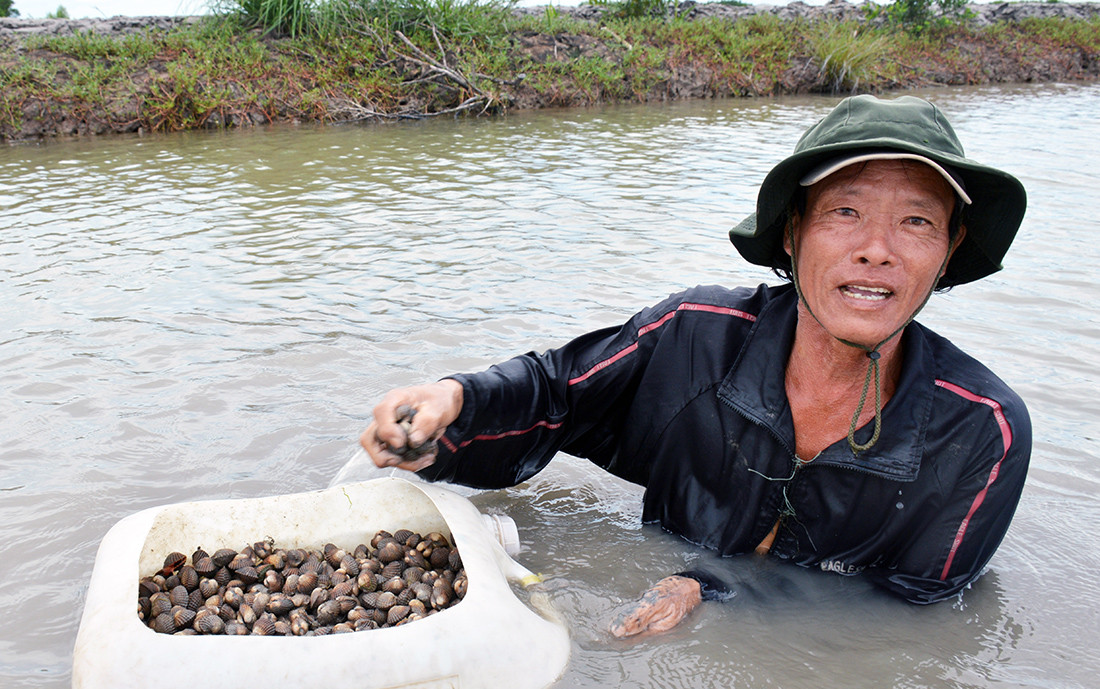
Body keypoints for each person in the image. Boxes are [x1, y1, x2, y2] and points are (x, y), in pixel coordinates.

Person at [361, 95, 1031, 637]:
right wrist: (450, 410)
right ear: (793, 232)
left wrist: (711, 592)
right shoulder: (696, 335)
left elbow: (906, 619)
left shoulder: (983, 432)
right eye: (845, 212)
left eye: (916, 221)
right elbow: (555, 393)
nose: (877, 249)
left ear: (949, 248)